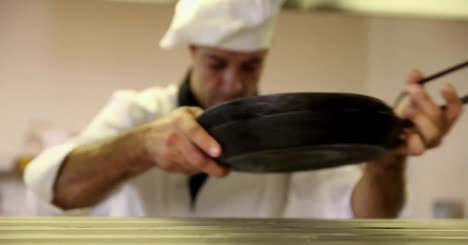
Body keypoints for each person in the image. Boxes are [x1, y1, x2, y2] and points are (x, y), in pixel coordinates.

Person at [24, 0, 463, 218]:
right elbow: (54, 189)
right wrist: (143, 146)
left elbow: (368, 214)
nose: (233, 84)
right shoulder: (137, 112)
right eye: (217, 64)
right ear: (193, 51)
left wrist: (385, 153)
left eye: (250, 66)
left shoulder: (290, 130)